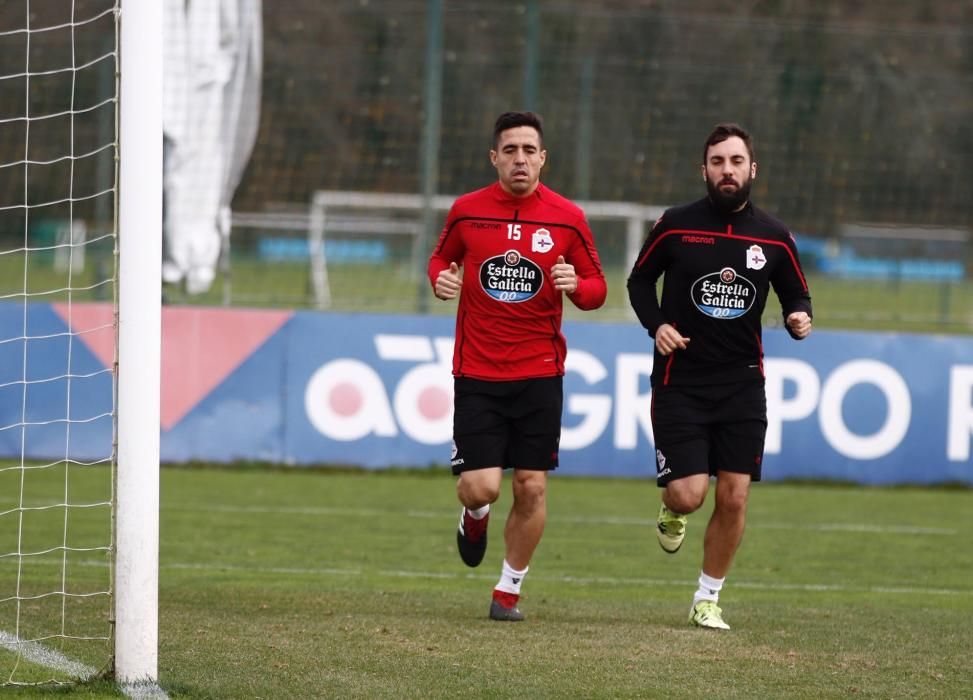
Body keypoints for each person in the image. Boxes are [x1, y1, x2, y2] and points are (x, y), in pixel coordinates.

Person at [627, 122, 812, 630]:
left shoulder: (774, 236)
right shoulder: (675, 224)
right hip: (680, 381)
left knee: (734, 495)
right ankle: (672, 509)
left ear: (752, 169)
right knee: (689, 494)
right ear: (703, 170)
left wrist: (799, 317)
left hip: (742, 385)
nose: (726, 170)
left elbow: (796, 293)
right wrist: (657, 324)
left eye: (735, 161)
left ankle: (707, 598)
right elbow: (640, 280)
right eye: (717, 162)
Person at [428, 111, 607, 621]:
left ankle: (508, 591)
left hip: (540, 373)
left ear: (543, 158)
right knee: (480, 484)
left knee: (531, 485)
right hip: (479, 372)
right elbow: (440, 260)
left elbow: (598, 287)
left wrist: (579, 287)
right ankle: (476, 514)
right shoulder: (466, 212)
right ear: (495, 157)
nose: (520, 159)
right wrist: (440, 280)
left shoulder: (568, 217)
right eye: (510, 150)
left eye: (529, 150)